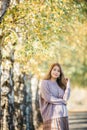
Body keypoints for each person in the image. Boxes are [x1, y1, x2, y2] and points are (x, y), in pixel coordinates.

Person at [39, 63, 71, 130]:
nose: (56, 72)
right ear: (50, 70)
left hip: (63, 114)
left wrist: (68, 86)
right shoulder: (45, 83)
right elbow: (48, 98)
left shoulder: (61, 85)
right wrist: (62, 101)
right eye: (54, 70)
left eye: (58, 71)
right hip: (52, 116)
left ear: (60, 74)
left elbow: (65, 98)